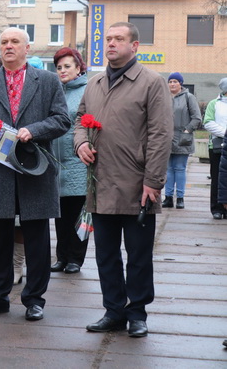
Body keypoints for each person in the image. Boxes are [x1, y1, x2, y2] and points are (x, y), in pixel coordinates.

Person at [0, 27, 70, 321]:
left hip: (34, 169)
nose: (8, 46)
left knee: (36, 236)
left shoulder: (47, 81)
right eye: (4, 43)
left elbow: (62, 119)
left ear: (27, 48)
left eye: (14, 42)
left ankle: (34, 299)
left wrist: (33, 131)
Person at [74, 21, 172, 338]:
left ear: (135, 46)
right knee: (105, 255)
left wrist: (153, 181)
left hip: (137, 186)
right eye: (108, 38)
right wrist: (81, 143)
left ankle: (137, 313)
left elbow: (160, 135)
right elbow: (80, 120)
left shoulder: (151, 82)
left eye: (119, 38)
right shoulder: (95, 83)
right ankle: (113, 311)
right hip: (100, 184)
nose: (111, 43)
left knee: (139, 256)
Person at [50, 47, 89, 274]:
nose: (62, 71)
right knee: (59, 215)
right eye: (59, 67)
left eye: (67, 66)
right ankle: (61, 257)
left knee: (78, 214)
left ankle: (76, 258)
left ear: (78, 68)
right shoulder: (55, 90)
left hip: (77, 162)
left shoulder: (87, 90)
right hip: (55, 163)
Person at [162, 72, 201, 210]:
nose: (172, 84)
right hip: (166, 138)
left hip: (182, 138)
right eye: (170, 81)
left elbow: (197, 117)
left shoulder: (188, 97)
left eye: (175, 81)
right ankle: (167, 198)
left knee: (179, 168)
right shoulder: (163, 97)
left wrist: (187, 130)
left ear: (181, 83)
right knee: (167, 169)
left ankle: (180, 198)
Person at [202, 78, 227, 220]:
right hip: (218, 146)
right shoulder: (214, 104)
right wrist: (225, 133)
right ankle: (217, 208)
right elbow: (208, 122)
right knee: (217, 178)